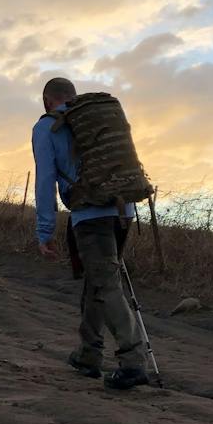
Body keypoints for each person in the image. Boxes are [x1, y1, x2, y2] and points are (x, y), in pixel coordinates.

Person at [31, 77, 149, 390]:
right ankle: (88, 353)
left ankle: (133, 360)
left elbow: (45, 181)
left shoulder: (46, 126)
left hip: (90, 213)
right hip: (123, 212)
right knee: (97, 280)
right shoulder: (96, 118)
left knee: (106, 283)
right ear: (74, 96)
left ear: (47, 101)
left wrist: (44, 231)